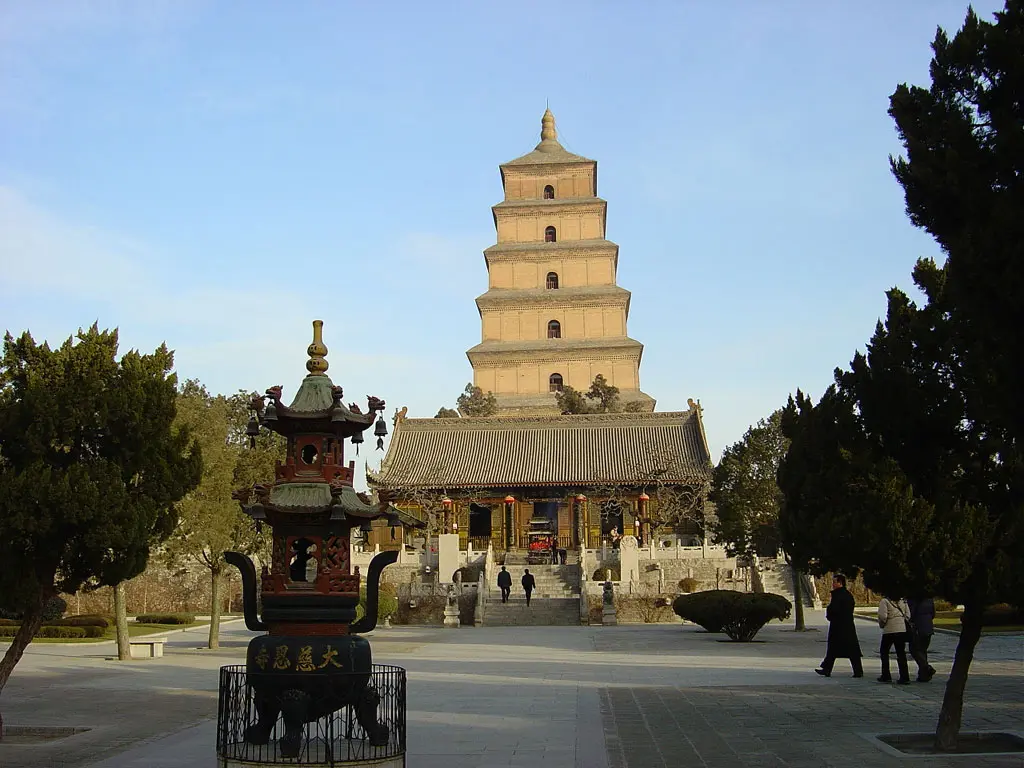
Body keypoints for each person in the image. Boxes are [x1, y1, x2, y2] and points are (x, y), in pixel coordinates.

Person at [816, 573, 864, 678]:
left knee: (846, 649)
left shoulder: (839, 595)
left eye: (834, 582)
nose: (832, 584)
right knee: (837, 649)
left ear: (840, 583)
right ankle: (827, 669)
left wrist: (830, 613)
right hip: (846, 625)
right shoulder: (847, 594)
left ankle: (857, 671)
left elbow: (835, 609)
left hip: (840, 626)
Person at [877, 595, 912, 684]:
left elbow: (882, 616)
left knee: (884, 651)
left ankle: (886, 675)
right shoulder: (903, 601)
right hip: (901, 629)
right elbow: (908, 614)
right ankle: (904, 676)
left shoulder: (885, 601)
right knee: (901, 653)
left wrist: (883, 624)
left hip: (889, 629)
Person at [907, 597, 937, 682]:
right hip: (928, 626)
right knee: (923, 650)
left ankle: (926, 668)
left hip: (918, 627)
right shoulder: (929, 599)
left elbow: (911, 613)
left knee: (914, 649)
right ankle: (923, 675)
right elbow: (933, 614)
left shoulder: (914, 599)